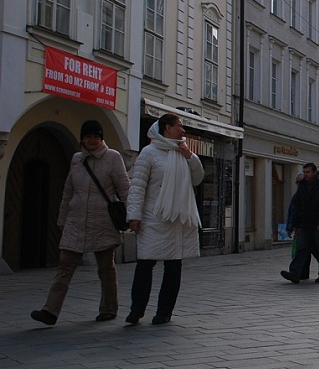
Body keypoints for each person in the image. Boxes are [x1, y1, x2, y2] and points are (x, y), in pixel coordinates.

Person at [30, 120, 131, 326]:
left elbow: (125, 189)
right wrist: (62, 219)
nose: (91, 140)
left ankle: (109, 308)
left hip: (102, 221)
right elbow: (68, 192)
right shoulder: (77, 159)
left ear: (101, 138)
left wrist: (133, 216)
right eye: (87, 136)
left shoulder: (113, 157)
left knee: (106, 269)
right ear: (82, 139)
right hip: (76, 221)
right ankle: (50, 311)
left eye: (95, 136)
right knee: (64, 267)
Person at [126, 113, 204, 325]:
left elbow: (198, 178)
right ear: (167, 128)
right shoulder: (149, 152)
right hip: (154, 218)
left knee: (173, 268)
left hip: (178, 218)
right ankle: (137, 310)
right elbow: (138, 185)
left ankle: (164, 312)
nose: (183, 130)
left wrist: (190, 156)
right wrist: (134, 215)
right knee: (145, 265)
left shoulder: (183, 152)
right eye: (180, 126)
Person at [281, 163, 319, 284]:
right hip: (304, 223)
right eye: (304, 172)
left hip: (318, 224)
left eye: (308, 172)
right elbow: (296, 206)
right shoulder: (302, 186)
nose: (305, 174)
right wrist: (294, 224)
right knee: (301, 248)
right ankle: (294, 273)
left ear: (315, 172)